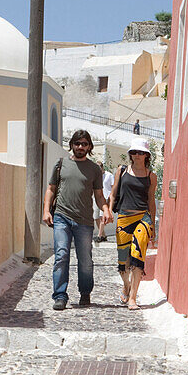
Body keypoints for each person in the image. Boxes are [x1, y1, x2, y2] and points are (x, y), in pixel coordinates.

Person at [42, 130, 112, 310]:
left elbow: (98, 194)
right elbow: (51, 189)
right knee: (61, 255)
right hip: (61, 217)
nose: (80, 147)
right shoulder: (61, 164)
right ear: (72, 145)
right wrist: (46, 211)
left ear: (89, 147)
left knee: (85, 260)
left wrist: (105, 209)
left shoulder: (94, 169)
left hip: (84, 221)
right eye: (77, 143)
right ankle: (60, 295)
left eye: (84, 144)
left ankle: (85, 292)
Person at [107, 136, 157, 310]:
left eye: (140, 152)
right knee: (123, 260)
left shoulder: (151, 176)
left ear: (146, 155)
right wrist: (109, 211)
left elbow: (151, 201)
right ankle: (126, 286)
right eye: (134, 152)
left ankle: (133, 298)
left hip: (143, 218)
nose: (137, 155)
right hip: (124, 217)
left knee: (137, 257)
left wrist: (153, 226)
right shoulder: (122, 171)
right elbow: (113, 193)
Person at [96, 163, 115, 242]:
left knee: (102, 218)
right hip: (97, 198)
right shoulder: (96, 176)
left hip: (106, 198)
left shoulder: (109, 175)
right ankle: (103, 235)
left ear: (102, 167)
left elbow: (113, 187)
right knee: (96, 218)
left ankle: (99, 236)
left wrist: (110, 198)